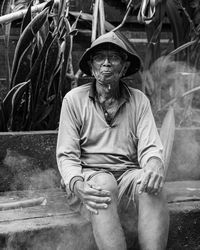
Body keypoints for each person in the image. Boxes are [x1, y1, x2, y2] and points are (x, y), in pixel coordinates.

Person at [56, 30, 169, 250]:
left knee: (151, 185)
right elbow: (67, 155)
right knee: (104, 186)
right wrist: (76, 184)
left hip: (127, 176)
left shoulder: (139, 100)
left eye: (114, 58)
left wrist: (154, 163)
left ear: (125, 67)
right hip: (90, 177)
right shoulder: (73, 100)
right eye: (100, 57)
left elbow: (150, 147)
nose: (107, 63)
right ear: (91, 65)